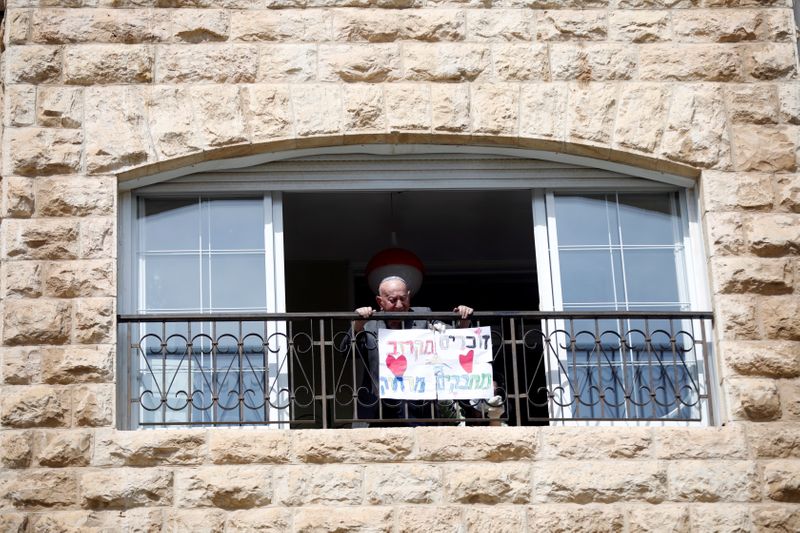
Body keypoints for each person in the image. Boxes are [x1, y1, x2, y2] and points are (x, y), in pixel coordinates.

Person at [348, 276, 473, 426]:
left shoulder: (423, 317)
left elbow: (452, 340)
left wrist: (463, 322)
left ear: (409, 295)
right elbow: (347, 352)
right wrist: (357, 326)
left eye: (403, 298)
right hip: (377, 412)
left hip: (417, 410)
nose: (399, 305)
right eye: (393, 300)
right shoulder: (369, 324)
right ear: (379, 301)